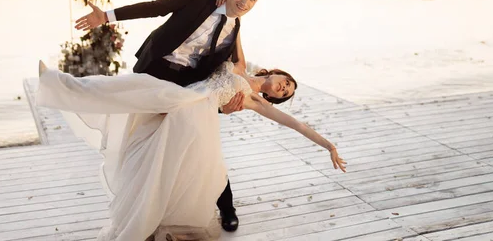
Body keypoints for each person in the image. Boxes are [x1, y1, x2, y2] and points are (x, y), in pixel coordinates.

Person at [36, 55, 346, 241]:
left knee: (165, 164)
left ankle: (153, 219)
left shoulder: (252, 101)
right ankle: (57, 82)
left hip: (194, 115)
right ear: (277, 72)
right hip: (181, 95)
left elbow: (294, 124)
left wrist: (328, 144)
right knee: (126, 86)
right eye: (285, 82)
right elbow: (230, 27)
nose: (282, 88)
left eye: (285, 92)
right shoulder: (241, 62)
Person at [73, 0, 265, 232]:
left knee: (202, 143)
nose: (245, 2)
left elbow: (229, 72)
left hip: (185, 85)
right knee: (138, 134)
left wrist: (228, 105)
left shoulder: (234, 30)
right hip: (154, 69)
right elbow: (156, 7)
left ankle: (225, 206)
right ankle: (68, 88)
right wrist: (105, 17)